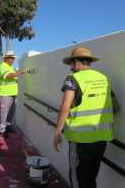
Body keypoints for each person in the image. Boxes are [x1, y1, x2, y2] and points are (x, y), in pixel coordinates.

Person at [54, 47, 119, 188]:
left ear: (77, 62)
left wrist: (58, 132)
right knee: (91, 178)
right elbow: (115, 107)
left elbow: (65, 107)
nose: (71, 67)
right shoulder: (104, 78)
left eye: (71, 63)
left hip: (80, 140)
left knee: (78, 180)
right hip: (102, 139)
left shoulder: (72, 79)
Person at [0, 51, 26, 137]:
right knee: (4, 113)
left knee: (11, 111)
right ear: (6, 58)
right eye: (12, 58)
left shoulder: (11, 67)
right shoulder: (2, 66)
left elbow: (13, 74)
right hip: (5, 93)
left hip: (13, 93)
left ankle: (8, 126)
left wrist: (18, 71)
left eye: (13, 58)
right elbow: (9, 75)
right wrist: (19, 73)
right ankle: (2, 130)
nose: (13, 60)